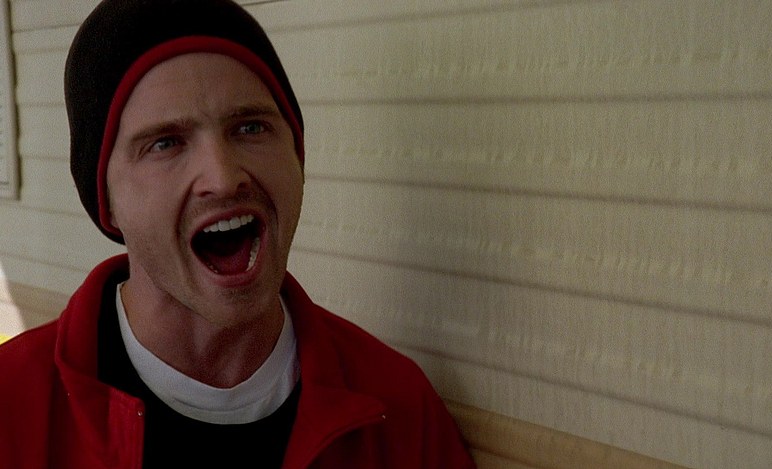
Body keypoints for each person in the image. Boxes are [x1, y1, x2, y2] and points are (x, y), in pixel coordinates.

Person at [0, 0, 476, 467]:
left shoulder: (398, 408)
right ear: (107, 200)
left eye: (250, 128)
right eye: (165, 143)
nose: (225, 178)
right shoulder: (13, 406)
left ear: (297, 158)